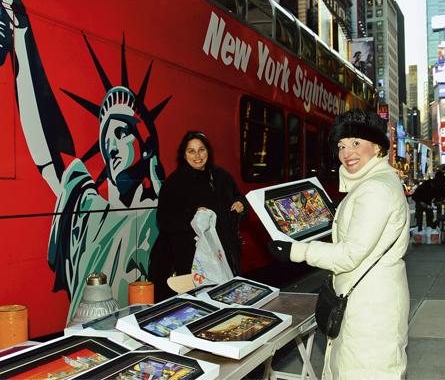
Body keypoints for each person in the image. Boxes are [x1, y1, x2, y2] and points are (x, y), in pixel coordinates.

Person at [0, 0, 168, 320]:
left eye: (123, 133)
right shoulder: (87, 211)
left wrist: (163, 190)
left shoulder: (157, 217)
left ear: (145, 148)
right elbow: (43, 146)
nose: (111, 144)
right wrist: (22, 33)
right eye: (106, 136)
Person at [266, 109, 410, 378]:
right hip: (365, 299)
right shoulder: (372, 184)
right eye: (342, 145)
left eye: (356, 143)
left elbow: (349, 254)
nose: (347, 153)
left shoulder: (375, 189)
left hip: (370, 308)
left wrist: (294, 251)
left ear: (377, 146)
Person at [150, 131, 248, 301]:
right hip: (190, 258)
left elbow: (238, 197)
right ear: (184, 154)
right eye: (191, 151)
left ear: (208, 151)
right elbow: (164, 220)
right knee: (197, 305)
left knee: (224, 301)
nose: (197, 155)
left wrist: (241, 205)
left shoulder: (221, 176)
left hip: (224, 254)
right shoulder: (175, 183)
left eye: (201, 149)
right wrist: (193, 219)